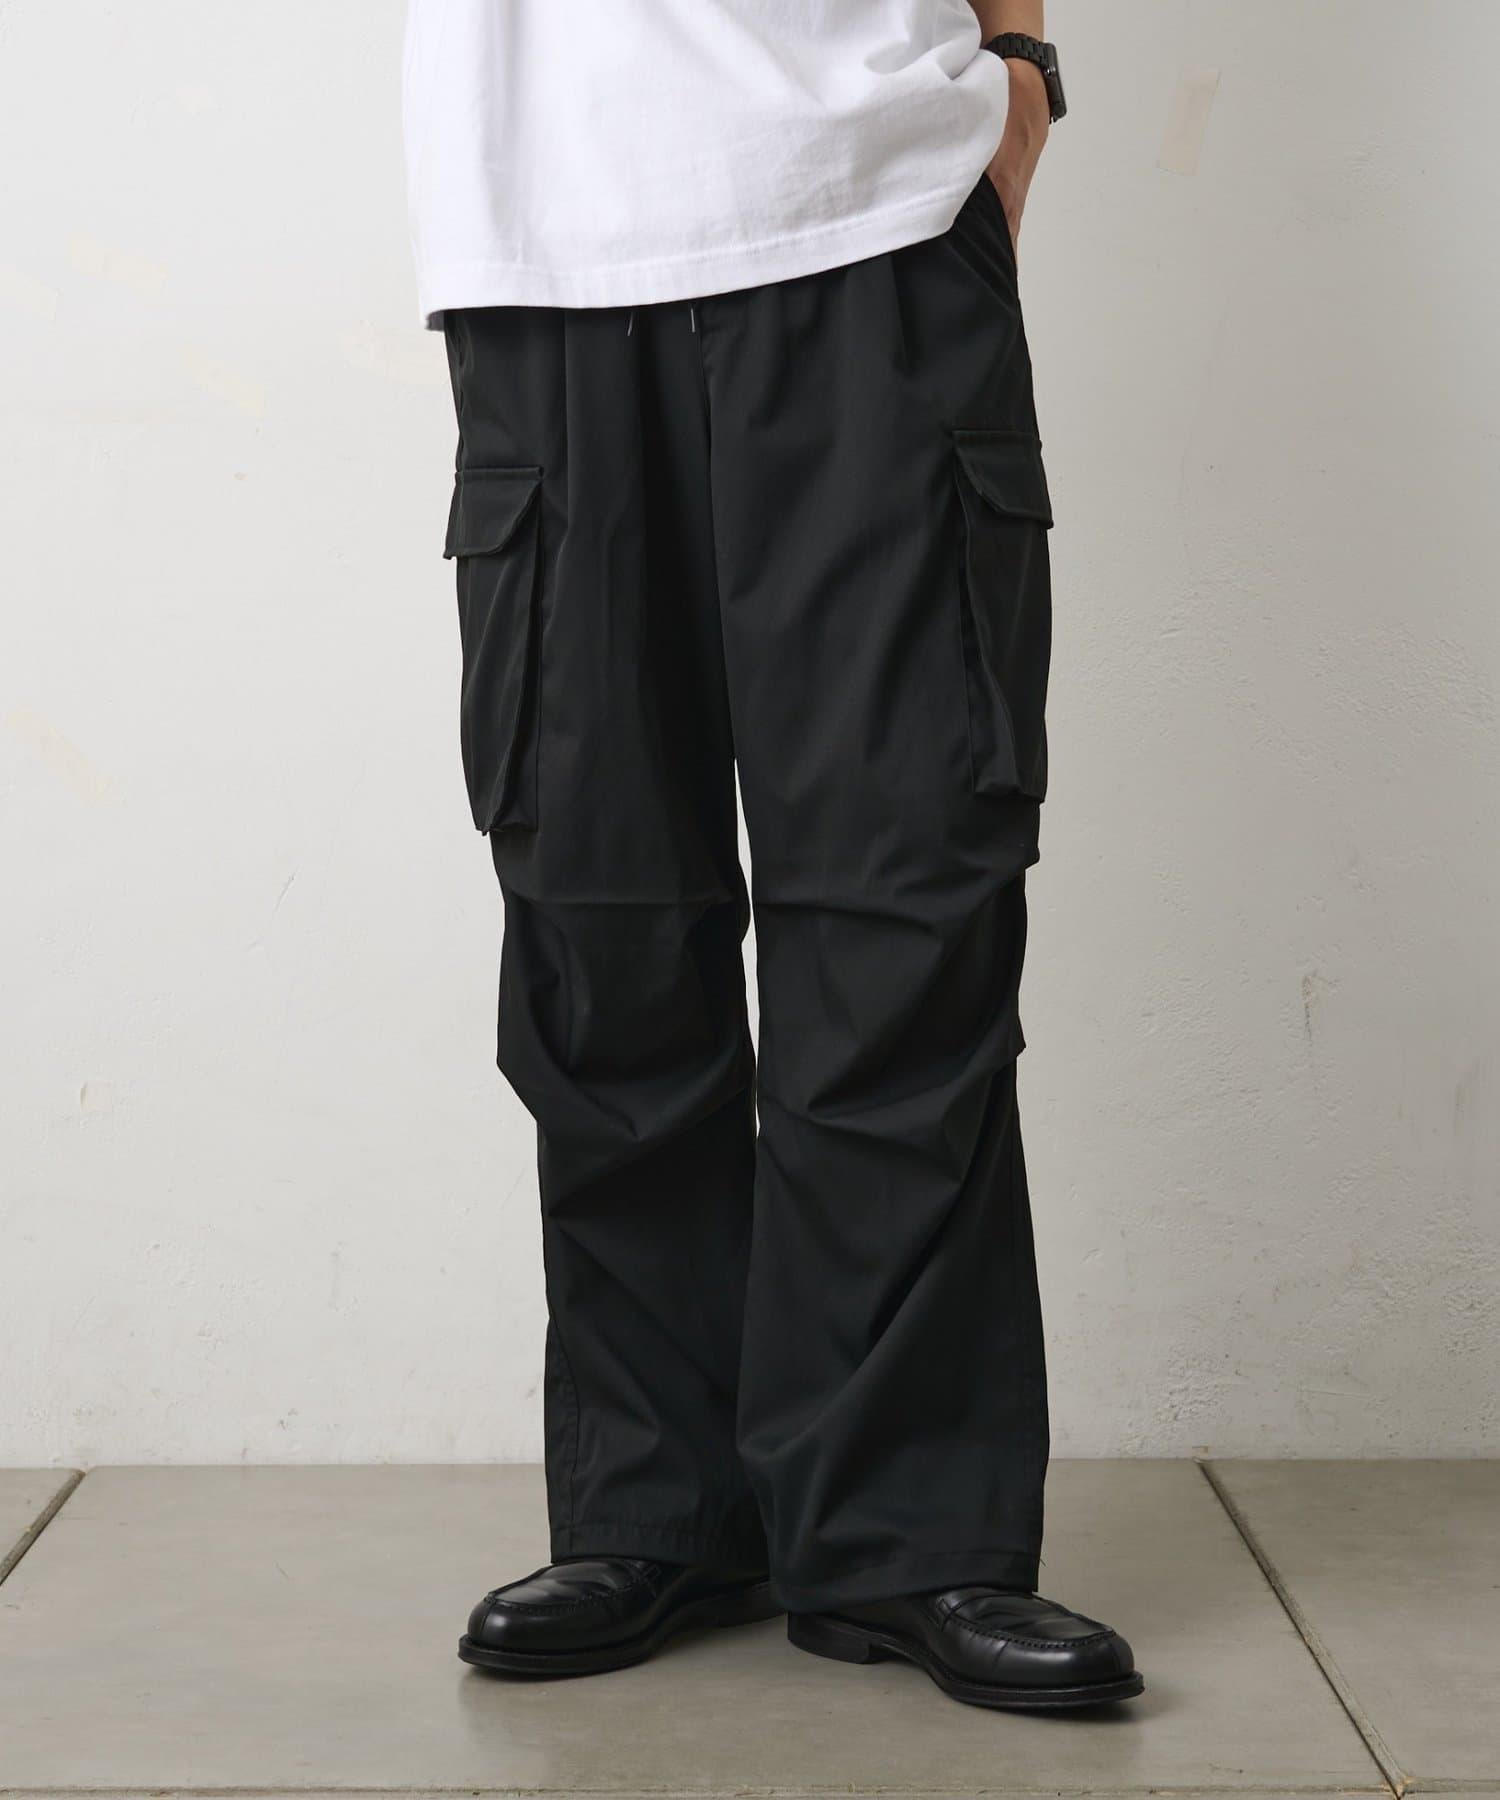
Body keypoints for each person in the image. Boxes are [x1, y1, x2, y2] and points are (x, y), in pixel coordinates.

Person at [403, 0, 1142, 1711]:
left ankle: (911, 1536)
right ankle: (658, 1506)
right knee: (601, 907)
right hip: (544, 243)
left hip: (876, 214)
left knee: (906, 894)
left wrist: (1021, 70)